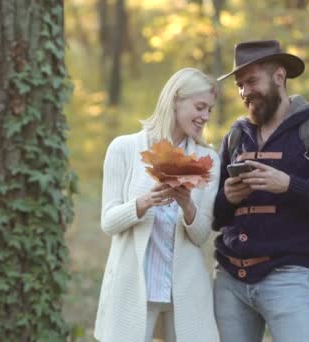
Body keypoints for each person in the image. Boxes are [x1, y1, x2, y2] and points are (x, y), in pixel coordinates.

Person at [212, 40, 309, 341]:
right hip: (228, 283)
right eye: (239, 85)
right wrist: (228, 197)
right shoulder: (235, 136)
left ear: (279, 76)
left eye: (251, 81)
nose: (244, 92)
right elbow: (216, 217)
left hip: (286, 279)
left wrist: (288, 185)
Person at [94, 68, 221, 342]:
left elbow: (200, 236)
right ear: (175, 99)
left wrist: (188, 205)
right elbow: (108, 222)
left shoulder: (208, 159)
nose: (205, 117)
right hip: (132, 288)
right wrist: (142, 203)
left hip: (184, 291)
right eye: (200, 107)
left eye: (209, 109)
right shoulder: (124, 148)